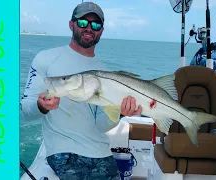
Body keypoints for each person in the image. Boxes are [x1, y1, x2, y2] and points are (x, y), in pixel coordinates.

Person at [20, 2, 142, 179]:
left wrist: (120, 113)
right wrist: (41, 106)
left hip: (102, 153)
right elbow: (25, 111)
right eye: (83, 23)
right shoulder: (46, 59)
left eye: (96, 25)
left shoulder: (105, 72)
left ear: (101, 30)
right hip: (64, 154)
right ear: (72, 24)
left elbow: (100, 125)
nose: (89, 28)